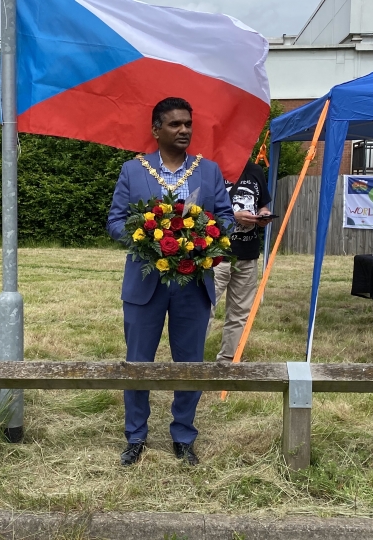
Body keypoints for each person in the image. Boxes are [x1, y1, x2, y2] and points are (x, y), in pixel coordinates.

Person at [106, 97, 235, 466]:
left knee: (190, 363)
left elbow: (224, 217)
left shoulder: (208, 171)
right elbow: (115, 221)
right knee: (138, 363)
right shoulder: (133, 171)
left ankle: (183, 436)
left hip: (193, 284)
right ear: (156, 129)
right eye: (175, 124)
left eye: (188, 125)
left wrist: (207, 237)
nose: (184, 131)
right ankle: (136, 436)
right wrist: (143, 237)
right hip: (145, 285)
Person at [210, 161, 273, 362]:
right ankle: (190, 359)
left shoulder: (255, 170)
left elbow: (262, 203)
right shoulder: (211, 168)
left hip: (248, 253)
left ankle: (229, 360)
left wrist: (263, 215)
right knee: (204, 308)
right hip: (216, 254)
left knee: (240, 312)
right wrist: (234, 216)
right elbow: (199, 211)